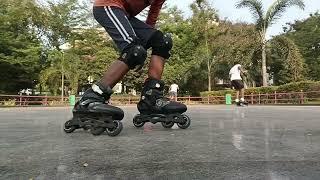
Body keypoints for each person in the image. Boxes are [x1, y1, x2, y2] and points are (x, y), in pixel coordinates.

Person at [76, 0, 187, 116]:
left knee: (162, 41)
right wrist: (139, 52)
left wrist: (147, 40)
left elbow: (153, 14)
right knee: (134, 51)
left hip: (124, 14)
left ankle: (151, 99)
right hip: (107, 6)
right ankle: (91, 98)